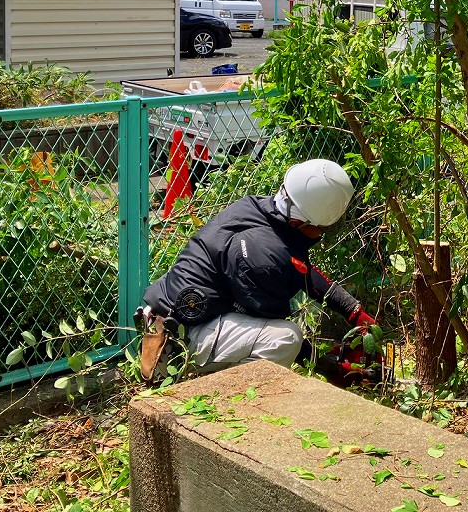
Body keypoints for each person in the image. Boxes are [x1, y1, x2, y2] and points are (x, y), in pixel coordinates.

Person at [138, 158, 376, 380]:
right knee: (286, 338)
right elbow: (276, 331)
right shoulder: (263, 258)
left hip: (178, 312)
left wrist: (352, 309)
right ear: (300, 222)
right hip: (176, 342)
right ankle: (230, 400)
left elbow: (301, 269)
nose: (322, 233)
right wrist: (335, 370)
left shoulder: (259, 209)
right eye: (321, 228)